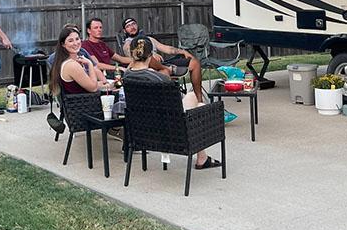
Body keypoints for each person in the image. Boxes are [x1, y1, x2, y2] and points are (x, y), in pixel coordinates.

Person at [123, 36, 221, 169]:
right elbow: (172, 103)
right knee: (197, 103)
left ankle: (202, 158)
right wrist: (164, 71)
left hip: (143, 130)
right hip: (170, 130)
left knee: (195, 105)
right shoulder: (158, 78)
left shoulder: (127, 76)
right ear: (151, 55)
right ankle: (202, 158)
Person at [120, 17, 203, 96]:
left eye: (133, 24)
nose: (132, 27)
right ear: (125, 31)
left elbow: (166, 48)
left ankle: (199, 100)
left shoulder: (149, 39)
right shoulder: (128, 44)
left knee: (195, 63)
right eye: (128, 26)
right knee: (163, 72)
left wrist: (183, 51)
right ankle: (168, 71)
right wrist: (150, 54)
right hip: (148, 69)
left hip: (162, 64)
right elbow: (135, 58)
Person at [49, 25, 111, 95]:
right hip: (83, 104)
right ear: (63, 44)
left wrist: (104, 83)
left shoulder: (68, 60)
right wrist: (89, 64)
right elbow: (93, 88)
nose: (75, 43)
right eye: (70, 41)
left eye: (77, 39)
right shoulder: (71, 65)